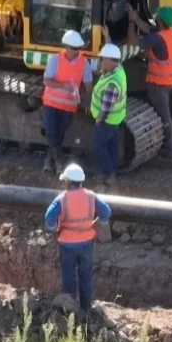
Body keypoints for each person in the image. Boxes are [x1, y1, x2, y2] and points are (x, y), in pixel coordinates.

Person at [44, 163, 111, 313]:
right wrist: (99, 223)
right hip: (87, 243)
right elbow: (106, 212)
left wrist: (52, 229)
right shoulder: (91, 196)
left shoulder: (62, 198)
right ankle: (86, 309)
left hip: (67, 244)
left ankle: (71, 311)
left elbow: (49, 217)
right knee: (85, 276)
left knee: (69, 277)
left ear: (68, 182)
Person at [40, 29, 93, 173]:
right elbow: (47, 81)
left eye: (78, 49)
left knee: (58, 135)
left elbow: (88, 86)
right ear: (67, 47)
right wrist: (63, 86)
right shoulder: (54, 60)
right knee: (51, 133)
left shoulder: (84, 63)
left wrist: (80, 93)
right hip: (51, 104)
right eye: (74, 48)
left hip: (68, 107)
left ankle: (49, 160)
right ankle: (58, 162)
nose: (77, 51)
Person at [130, 6, 172, 158]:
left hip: (159, 84)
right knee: (162, 112)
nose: (155, 17)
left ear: (160, 21)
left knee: (164, 115)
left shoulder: (158, 39)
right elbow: (148, 29)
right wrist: (136, 18)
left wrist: (131, 22)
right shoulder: (169, 33)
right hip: (169, 81)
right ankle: (165, 139)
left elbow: (133, 42)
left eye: (157, 16)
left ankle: (168, 148)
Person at [89, 43, 126, 186]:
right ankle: (112, 171)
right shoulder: (119, 69)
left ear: (110, 61)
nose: (100, 62)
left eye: (102, 59)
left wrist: (99, 119)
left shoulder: (112, 84)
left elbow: (106, 106)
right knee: (111, 145)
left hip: (107, 120)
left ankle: (109, 174)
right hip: (116, 119)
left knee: (98, 146)